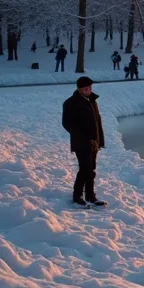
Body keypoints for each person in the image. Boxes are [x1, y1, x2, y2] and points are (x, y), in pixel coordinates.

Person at [62, 76, 106, 207]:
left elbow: (97, 122)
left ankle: (90, 195)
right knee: (84, 169)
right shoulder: (71, 103)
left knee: (91, 169)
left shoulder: (92, 101)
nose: (89, 90)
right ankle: (77, 196)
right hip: (81, 143)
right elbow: (67, 124)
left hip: (94, 142)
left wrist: (99, 141)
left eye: (90, 88)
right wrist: (84, 138)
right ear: (79, 89)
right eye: (86, 88)